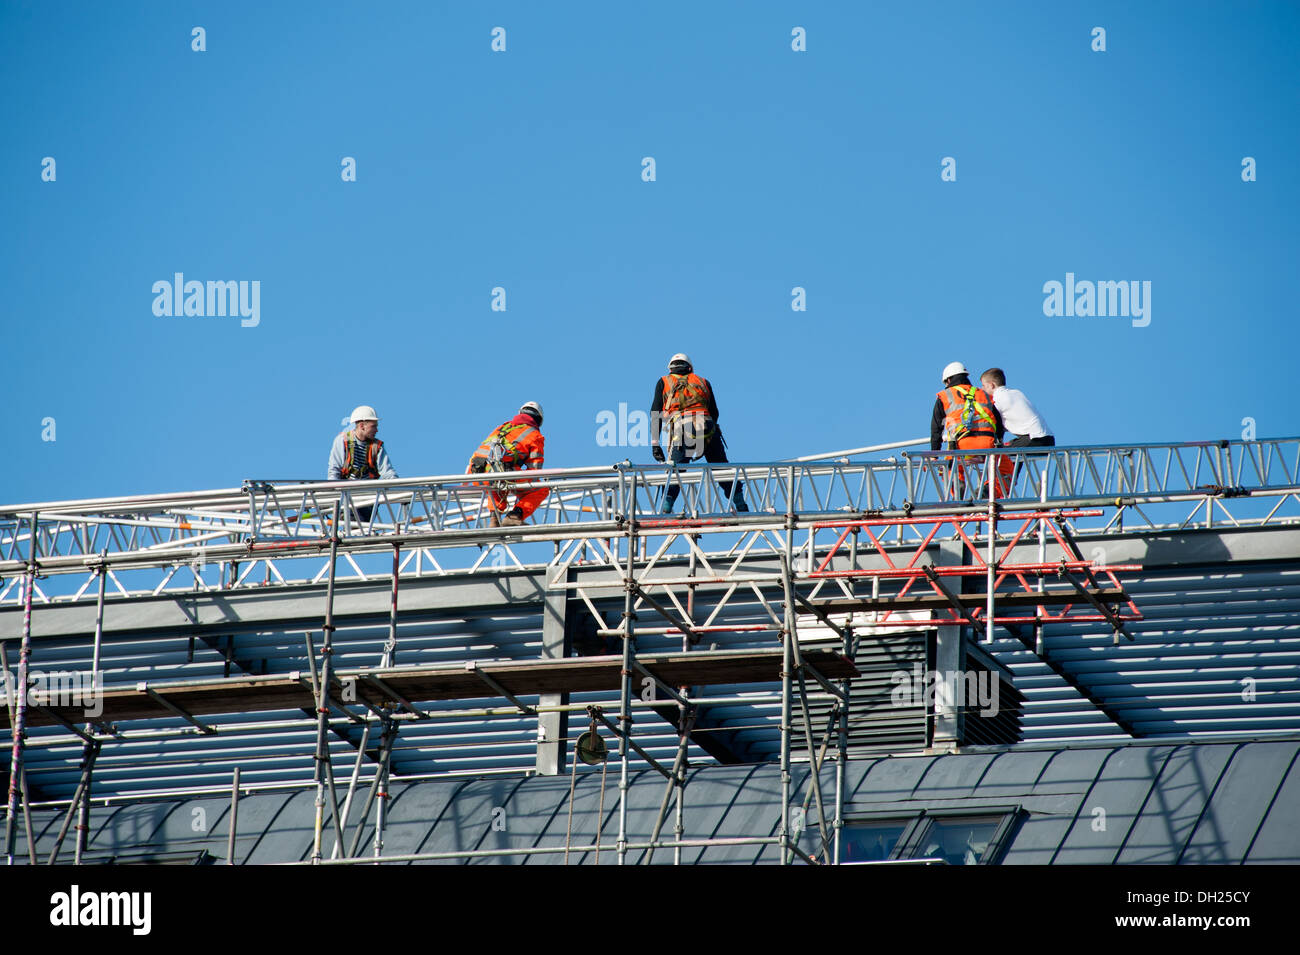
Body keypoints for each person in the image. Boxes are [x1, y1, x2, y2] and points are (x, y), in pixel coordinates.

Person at [651, 353, 748, 513]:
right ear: (690, 368)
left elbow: (656, 414)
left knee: (675, 469)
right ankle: (740, 504)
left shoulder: (664, 382)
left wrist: (655, 445)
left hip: (683, 429)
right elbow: (714, 413)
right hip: (708, 427)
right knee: (721, 468)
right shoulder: (703, 382)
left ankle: (666, 508)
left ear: (671, 369)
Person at [930, 362, 1007, 499]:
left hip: (962, 445)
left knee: (950, 465)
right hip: (988, 444)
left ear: (948, 380)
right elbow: (999, 423)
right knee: (1005, 467)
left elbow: (936, 428)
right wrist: (999, 443)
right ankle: (989, 491)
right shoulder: (983, 394)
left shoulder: (945, 395)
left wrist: (934, 455)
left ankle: (958, 490)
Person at [467, 401, 548, 527]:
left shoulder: (501, 428)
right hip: (502, 475)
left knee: (496, 480)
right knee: (541, 489)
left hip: (478, 475)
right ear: (538, 420)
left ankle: (494, 519)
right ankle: (515, 516)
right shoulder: (534, 435)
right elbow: (534, 471)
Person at [327, 405, 398, 524]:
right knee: (355, 527)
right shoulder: (343, 441)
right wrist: (334, 496)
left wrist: (400, 488)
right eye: (373, 426)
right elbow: (334, 472)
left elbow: (388, 472)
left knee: (363, 529)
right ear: (362, 426)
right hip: (347, 495)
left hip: (368, 498)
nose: (377, 430)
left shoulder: (377, 446)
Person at [979, 368, 1055, 447]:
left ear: (992, 385)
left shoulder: (998, 398)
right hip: (1049, 440)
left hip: (1034, 439)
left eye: (984, 385)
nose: (982, 389)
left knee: (997, 453)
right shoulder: (1016, 393)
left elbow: (993, 423)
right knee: (1006, 449)